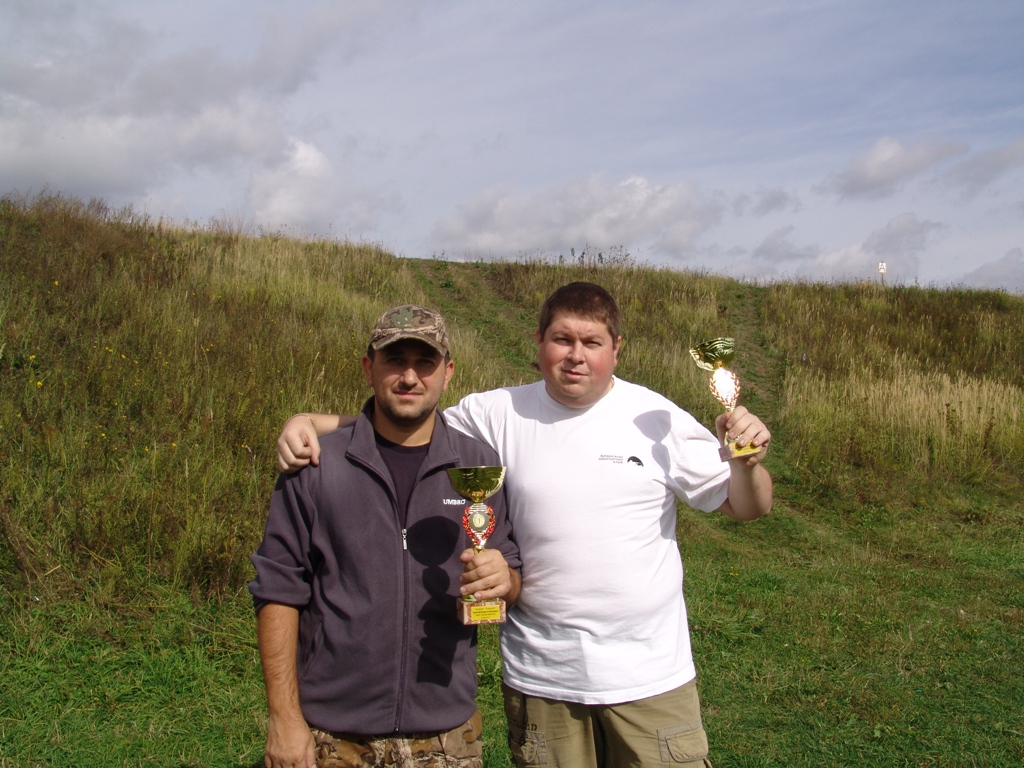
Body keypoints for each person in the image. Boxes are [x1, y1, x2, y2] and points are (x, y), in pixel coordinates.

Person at [276, 283, 772, 768]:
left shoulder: (656, 418)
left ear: (616, 349)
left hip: (650, 679)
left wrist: (746, 465)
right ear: (539, 342)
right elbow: (409, 415)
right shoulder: (497, 412)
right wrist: (313, 422)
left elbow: (748, 507)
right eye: (562, 339)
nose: (576, 356)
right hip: (543, 680)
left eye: (592, 342)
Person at [250, 304, 522, 768]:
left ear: (447, 373)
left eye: (425, 362)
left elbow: (510, 575)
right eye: (395, 360)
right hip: (332, 736)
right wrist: (284, 718)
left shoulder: (478, 467)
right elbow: (278, 590)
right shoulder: (317, 465)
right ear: (368, 368)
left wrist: (504, 581)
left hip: (446, 738)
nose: (409, 377)